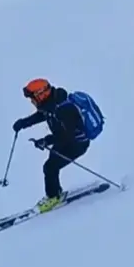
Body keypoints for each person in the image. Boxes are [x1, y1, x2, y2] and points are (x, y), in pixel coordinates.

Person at [13, 78, 97, 211]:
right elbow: (42, 115)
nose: (32, 101)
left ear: (41, 94)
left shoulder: (64, 109)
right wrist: (23, 123)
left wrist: (46, 140)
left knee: (50, 167)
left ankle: (53, 198)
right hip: (65, 141)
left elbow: (66, 135)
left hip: (77, 144)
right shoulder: (51, 103)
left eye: (33, 98)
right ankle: (55, 193)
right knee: (51, 165)